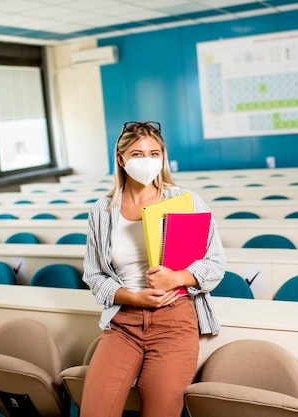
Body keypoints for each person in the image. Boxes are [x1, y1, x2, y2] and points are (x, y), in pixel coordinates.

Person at [80, 121, 226, 417]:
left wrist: (178, 277)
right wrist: (133, 298)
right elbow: (94, 274)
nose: (147, 161)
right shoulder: (102, 210)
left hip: (174, 322)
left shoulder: (185, 201)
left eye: (154, 153)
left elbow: (215, 263)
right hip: (123, 323)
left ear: (163, 157)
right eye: (137, 154)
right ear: (121, 159)